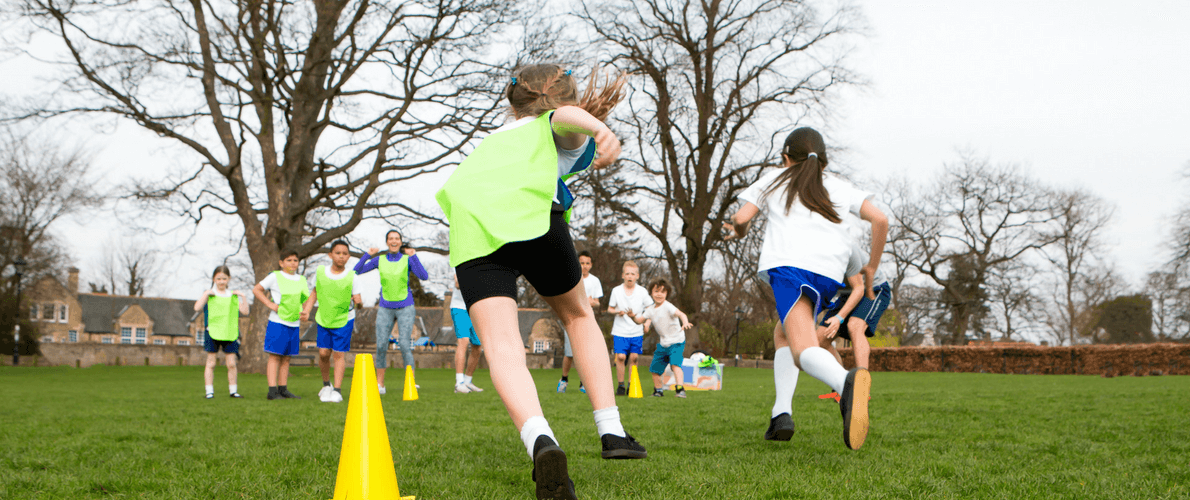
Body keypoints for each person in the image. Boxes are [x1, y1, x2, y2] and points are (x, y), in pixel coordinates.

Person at [435, 63, 645, 500]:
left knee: (501, 344)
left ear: (513, 101)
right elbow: (561, 119)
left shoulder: (491, 140)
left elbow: (554, 115)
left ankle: (540, 440)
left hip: (472, 226)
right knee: (577, 315)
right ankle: (611, 432)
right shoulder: (549, 126)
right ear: (564, 99)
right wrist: (600, 129)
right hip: (531, 219)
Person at [723, 126, 888, 450]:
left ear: (786, 158)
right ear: (822, 161)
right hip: (826, 275)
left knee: (801, 351)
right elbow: (880, 220)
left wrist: (738, 230)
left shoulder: (776, 178)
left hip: (790, 271)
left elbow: (742, 218)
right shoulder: (840, 186)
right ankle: (780, 413)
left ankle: (846, 385)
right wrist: (871, 264)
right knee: (783, 333)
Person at [354, 229, 429, 395]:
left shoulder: (407, 260)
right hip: (385, 308)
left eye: (397, 239)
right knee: (380, 345)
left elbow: (424, 276)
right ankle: (380, 384)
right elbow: (356, 271)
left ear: (401, 242)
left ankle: (411, 381)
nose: (394, 241)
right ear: (387, 242)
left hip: (405, 307)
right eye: (391, 239)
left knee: (404, 344)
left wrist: (413, 255)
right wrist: (368, 255)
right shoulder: (379, 260)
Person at [302, 240, 363, 403]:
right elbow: (314, 293)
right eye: (338, 253)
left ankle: (337, 390)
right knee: (323, 354)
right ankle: (326, 385)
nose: (341, 256)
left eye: (345, 254)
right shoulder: (320, 272)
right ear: (330, 255)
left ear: (349, 257)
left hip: (344, 319)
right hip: (324, 318)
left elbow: (359, 304)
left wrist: (359, 301)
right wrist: (307, 310)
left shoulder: (352, 276)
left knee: (338, 354)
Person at [818, 241, 892, 371]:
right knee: (820, 339)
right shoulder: (813, 257)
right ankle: (841, 385)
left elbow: (859, 289)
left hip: (873, 288)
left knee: (855, 325)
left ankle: (861, 388)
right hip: (848, 293)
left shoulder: (847, 250)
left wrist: (839, 318)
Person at [252, 249, 311, 400]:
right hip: (278, 322)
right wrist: (270, 305)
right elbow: (257, 289)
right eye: (289, 260)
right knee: (275, 356)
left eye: (295, 260)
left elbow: (305, 300)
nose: (293, 263)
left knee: (287, 357)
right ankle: (272, 391)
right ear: (281, 263)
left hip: (294, 323)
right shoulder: (275, 276)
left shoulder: (302, 279)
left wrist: (306, 311)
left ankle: (283, 389)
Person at [625, 279, 692, 398]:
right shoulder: (650, 309)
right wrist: (632, 316)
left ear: (667, 294)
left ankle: (680, 390)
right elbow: (639, 321)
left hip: (677, 341)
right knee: (655, 370)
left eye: (662, 292)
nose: (659, 294)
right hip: (663, 343)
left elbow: (682, 314)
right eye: (656, 291)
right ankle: (658, 391)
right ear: (651, 293)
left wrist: (685, 322)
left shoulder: (668, 306)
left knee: (675, 365)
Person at [195, 265, 250, 399]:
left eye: (224, 278)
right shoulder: (210, 294)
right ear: (214, 279)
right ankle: (209, 392)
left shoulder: (232, 296)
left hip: (229, 332)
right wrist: (205, 294)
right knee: (211, 363)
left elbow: (245, 312)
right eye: (218, 278)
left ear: (229, 279)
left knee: (231, 364)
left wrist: (243, 296)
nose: (221, 281)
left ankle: (233, 391)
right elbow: (197, 307)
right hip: (212, 331)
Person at [557, 250, 602, 393]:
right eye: (581, 263)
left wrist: (591, 303)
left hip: (587, 321)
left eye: (587, 263)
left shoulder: (595, 281)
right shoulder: (570, 277)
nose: (584, 266)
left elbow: (597, 302)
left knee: (586, 352)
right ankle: (564, 379)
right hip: (571, 319)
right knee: (570, 354)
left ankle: (584, 383)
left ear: (591, 265)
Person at [607, 260, 652, 396]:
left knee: (633, 358)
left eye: (632, 274)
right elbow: (609, 309)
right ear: (623, 275)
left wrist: (647, 323)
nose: (630, 276)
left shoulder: (642, 291)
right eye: (627, 274)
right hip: (620, 330)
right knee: (620, 357)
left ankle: (632, 384)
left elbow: (651, 309)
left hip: (636, 330)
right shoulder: (616, 291)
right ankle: (620, 386)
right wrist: (617, 312)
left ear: (637, 276)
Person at [450, 275, 484, 393]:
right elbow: (458, 284)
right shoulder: (459, 262)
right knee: (463, 341)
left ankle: (467, 381)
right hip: (460, 308)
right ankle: (459, 383)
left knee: (477, 346)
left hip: (475, 308)